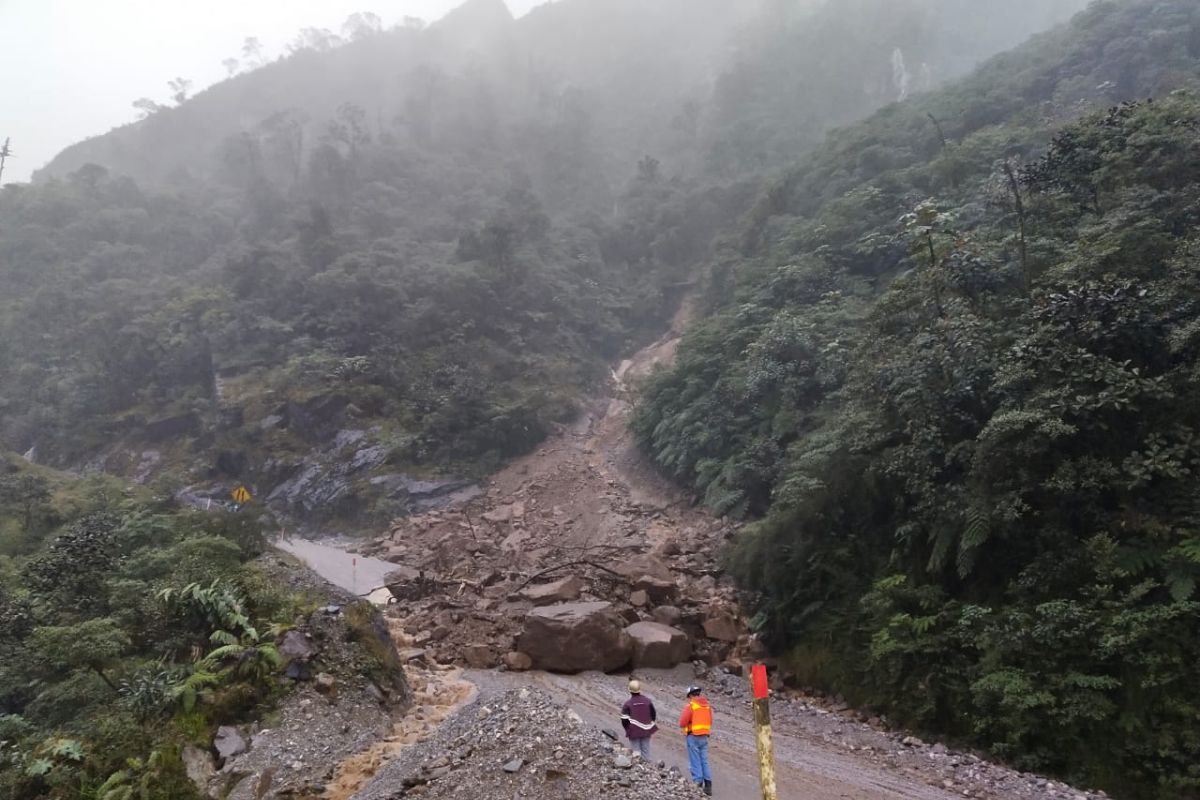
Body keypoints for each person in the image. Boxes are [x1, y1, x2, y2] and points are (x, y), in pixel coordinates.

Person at [679, 685, 713, 796]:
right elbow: (710, 721)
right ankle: (708, 786)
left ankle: (697, 783)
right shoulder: (707, 706)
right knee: (704, 761)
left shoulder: (691, 706)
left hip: (693, 736)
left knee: (695, 761)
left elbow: (682, 723)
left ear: (690, 696)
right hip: (704, 736)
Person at [620, 679, 658, 759]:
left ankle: (639, 770)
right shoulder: (648, 701)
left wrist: (628, 729)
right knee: (646, 751)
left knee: (636, 752)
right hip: (647, 730)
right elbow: (653, 715)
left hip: (633, 731)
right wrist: (648, 724)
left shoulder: (628, 704)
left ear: (630, 691)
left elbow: (624, 720)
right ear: (639, 690)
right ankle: (647, 769)